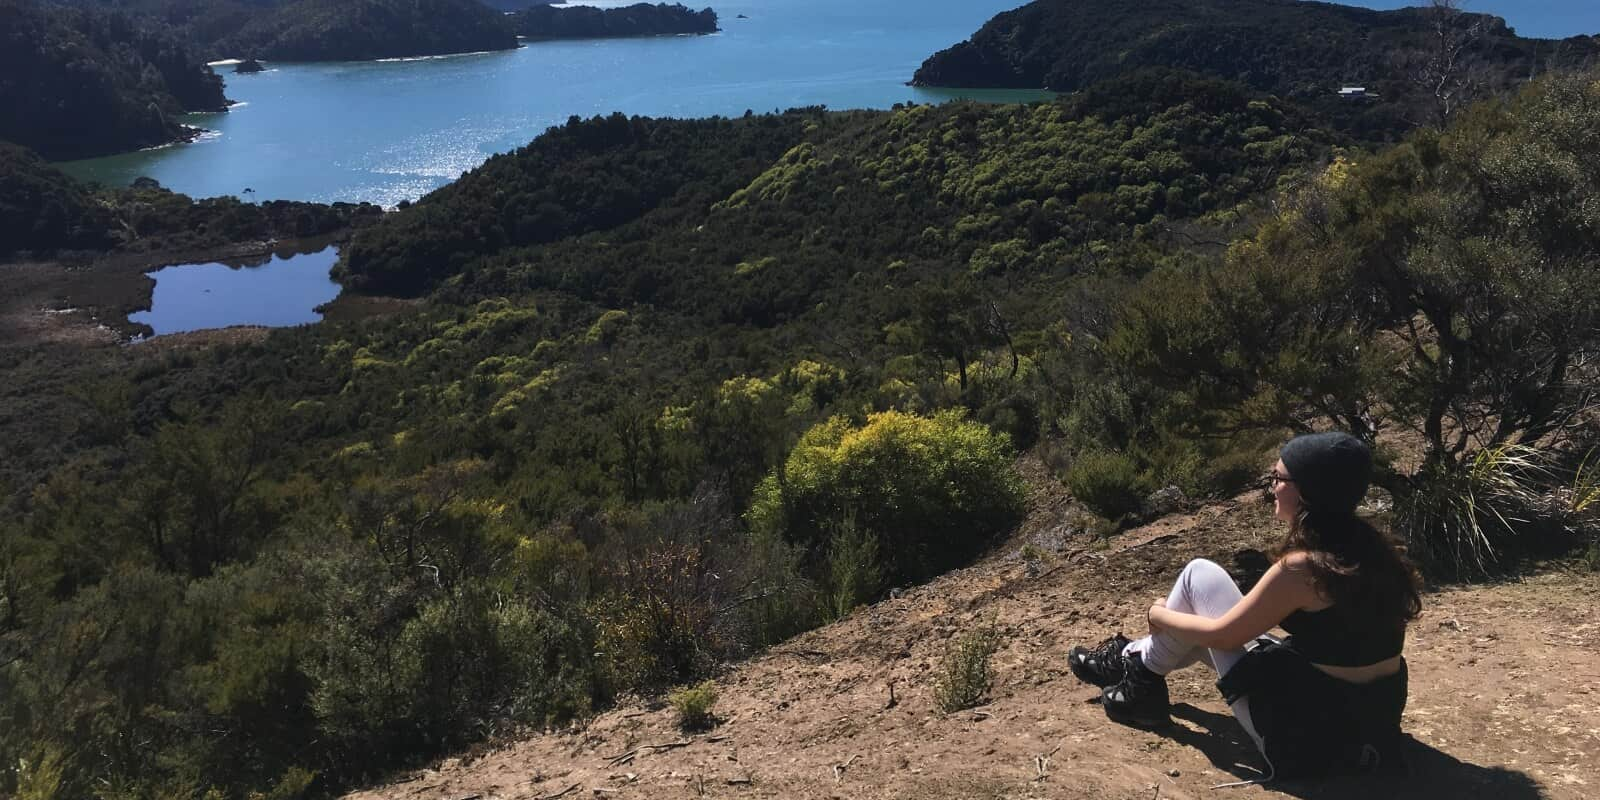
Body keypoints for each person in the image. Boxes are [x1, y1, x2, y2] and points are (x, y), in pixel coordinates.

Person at [1067, 431, 1423, 779]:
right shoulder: (1372, 551)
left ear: (1307, 491)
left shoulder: (1306, 569)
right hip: (1368, 726)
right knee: (1198, 622)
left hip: (1311, 744)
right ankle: (1135, 661)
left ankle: (1139, 675)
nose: (1272, 488)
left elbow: (1221, 637)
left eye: (1279, 478)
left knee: (1197, 575)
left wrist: (1157, 612)